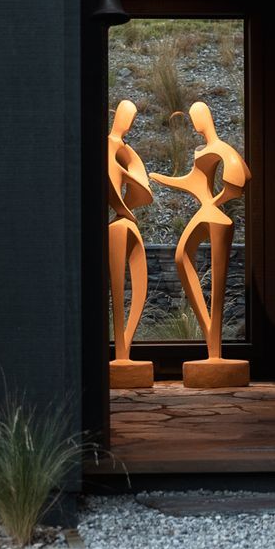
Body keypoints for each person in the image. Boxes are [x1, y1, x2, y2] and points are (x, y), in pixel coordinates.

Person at [149, 100, 250, 366]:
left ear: (205, 120)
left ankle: (214, 349)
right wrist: (162, 178)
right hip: (207, 213)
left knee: (217, 284)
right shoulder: (202, 151)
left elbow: (239, 181)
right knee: (182, 257)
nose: (195, 125)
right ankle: (209, 335)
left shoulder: (222, 149)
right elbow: (193, 181)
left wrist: (214, 202)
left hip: (215, 217)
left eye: (197, 119)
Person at [108, 99, 153, 377]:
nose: (129, 123)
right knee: (116, 288)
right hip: (118, 223)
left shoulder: (126, 151)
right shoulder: (109, 147)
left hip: (127, 222)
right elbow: (113, 183)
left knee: (140, 285)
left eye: (132, 119)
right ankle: (119, 351)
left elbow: (142, 186)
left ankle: (126, 349)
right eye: (128, 117)